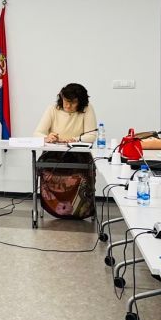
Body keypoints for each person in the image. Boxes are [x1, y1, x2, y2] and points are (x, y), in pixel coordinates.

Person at [32, 83, 98, 219]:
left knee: (82, 175)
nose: (68, 106)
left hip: (79, 154)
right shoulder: (52, 109)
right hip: (53, 154)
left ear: (80, 102)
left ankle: (81, 210)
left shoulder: (87, 109)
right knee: (46, 170)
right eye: (65, 101)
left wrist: (74, 139)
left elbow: (91, 135)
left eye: (73, 103)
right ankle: (51, 207)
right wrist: (47, 138)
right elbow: (37, 133)